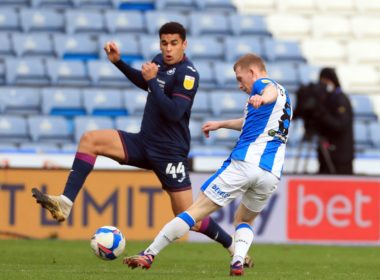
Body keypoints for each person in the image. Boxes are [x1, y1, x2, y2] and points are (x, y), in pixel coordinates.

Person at [31, 22, 252, 266]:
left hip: (170, 153)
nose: (168, 49)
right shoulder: (159, 61)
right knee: (90, 140)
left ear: (184, 44)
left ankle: (231, 245)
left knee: (190, 217)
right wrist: (119, 63)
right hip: (143, 142)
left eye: (174, 43)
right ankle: (65, 203)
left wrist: (153, 81)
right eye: (164, 43)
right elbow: (146, 81)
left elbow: (174, 113)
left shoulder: (188, 73)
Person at [123, 53, 292, 276]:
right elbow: (249, 121)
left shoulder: (264, 85)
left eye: (241, 79)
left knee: (193, 212)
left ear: (252, 72)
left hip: (244, 164)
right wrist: (221, 124)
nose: (240, 85)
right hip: (270, 173)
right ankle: (238, 260)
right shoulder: (285, 97)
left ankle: (149, 253)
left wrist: (262, 97)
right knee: (244, 219)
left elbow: (266, 90)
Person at [294, 68, 354, 174]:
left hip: (341, 156)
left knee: (340, 188)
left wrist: (321, 112)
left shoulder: (340, 99)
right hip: (326, 154)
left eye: (326, 81)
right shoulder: (325, 98)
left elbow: (339, 126)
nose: (324, 85)